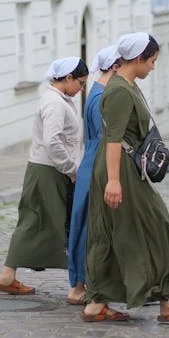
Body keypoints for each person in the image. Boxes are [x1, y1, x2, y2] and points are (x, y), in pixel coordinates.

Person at [83, 32, 169, 323]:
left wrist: (162, 155)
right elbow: (112, 139)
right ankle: (168, 302)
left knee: (112, 234)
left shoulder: (127, 86)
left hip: (125, 164)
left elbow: (135, 134)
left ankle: (97, 304)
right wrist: (114, 181)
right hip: (119, 169)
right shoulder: (119, 91)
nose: (153, 67)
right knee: (156, 225)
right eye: (151, 61)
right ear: (137, 59)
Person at [0, 57, 87, 298]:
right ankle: (7, 275)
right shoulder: (55, 103)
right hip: (49, 170)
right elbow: (52, 141)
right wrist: (71, 169)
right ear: (67, 78)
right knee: (34, 220)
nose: (81, 89)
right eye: (80, 82)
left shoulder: (58, 100)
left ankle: (8, 275)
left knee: (37, 220)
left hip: (48, 169)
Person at [66, 46, 120, 305]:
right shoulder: (102, 97)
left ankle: (83, 283)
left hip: (91, 162)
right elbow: (107, 138)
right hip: (97, 164)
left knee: (86, 225)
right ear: (115, 67)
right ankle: (81, 285)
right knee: (90, 227)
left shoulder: (96, 93)